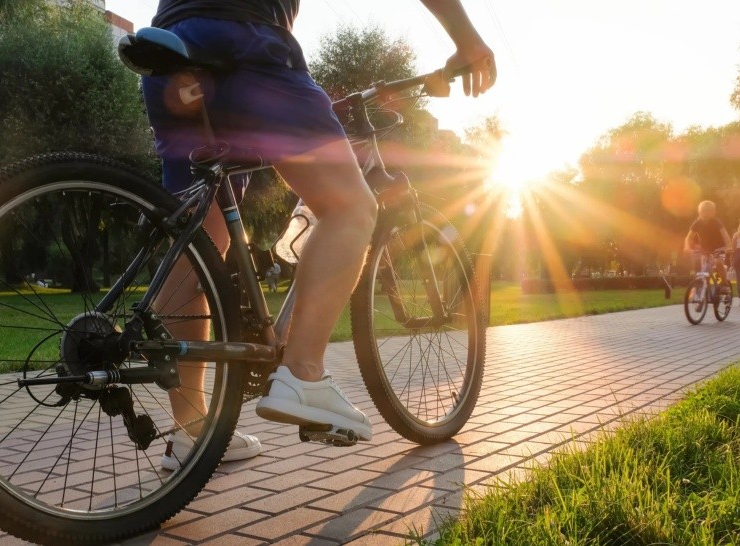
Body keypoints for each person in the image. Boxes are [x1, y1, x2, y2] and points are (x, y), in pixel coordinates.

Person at [143, 0, 497, 467]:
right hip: (243, 40)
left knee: (199, 246)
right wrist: (467, 39)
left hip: (169, 53)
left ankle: (191, 433)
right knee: (350, 207)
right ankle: (303, 373)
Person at [683, 200, 733, 311]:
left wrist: (729, 246)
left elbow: (725, 235)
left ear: (713, 212)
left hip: (719, 248)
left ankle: (724, 284)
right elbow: (689, 237)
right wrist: (687, 247)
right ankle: (700, 294)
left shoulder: (716, 222)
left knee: (718, 262)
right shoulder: (697, 223)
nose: (706, 213)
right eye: (704, 211)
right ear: (700, 212)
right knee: (703, 271)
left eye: (709, 211)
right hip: (705, 250)